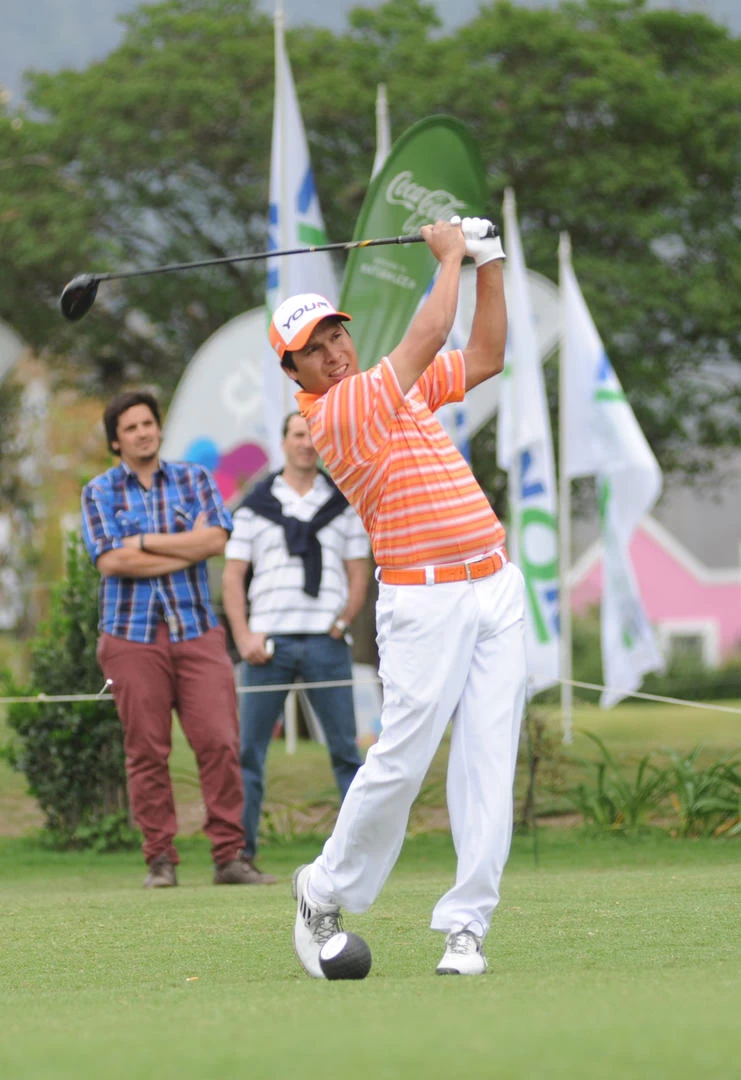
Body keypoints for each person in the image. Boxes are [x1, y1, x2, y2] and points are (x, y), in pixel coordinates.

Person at [268, 215, 527, 977]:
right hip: (422, 604)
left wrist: (490, 261)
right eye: (312, 351)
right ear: (296, 375)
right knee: (402, 763)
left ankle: (466, 926)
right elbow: (425, 333)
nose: (331, 354)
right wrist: (447, 256)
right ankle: (323, 886)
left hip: (493, 585)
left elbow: (482, 355)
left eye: (335, 337)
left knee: (487, 762)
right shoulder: (336, 414)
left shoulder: (399, 392)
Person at [81, 390, 261, 888]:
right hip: (130, 636)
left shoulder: (195, 479)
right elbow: (110, 560)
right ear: (116, 441)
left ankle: (230, 857)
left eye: (148, 423)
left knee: (221, 741)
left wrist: (141, 542)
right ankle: (160, 860)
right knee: (146, 751)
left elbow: (216, 539)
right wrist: (186, 550)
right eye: (132, 427)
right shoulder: (98, 492)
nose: (143, 432)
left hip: (197, 629)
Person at [222, 410, 370, 873]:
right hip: (267, 645)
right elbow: (233, 575)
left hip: (326, 642)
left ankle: (359, 855)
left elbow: (358, 569)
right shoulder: (253, 504)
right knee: (249, 752)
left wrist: (344, 620)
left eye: (312, 435)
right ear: (283, 441)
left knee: (346, 750)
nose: (306, 443)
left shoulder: (342, 502)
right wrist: (242, 634)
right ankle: (241, 854)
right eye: (297, 434)